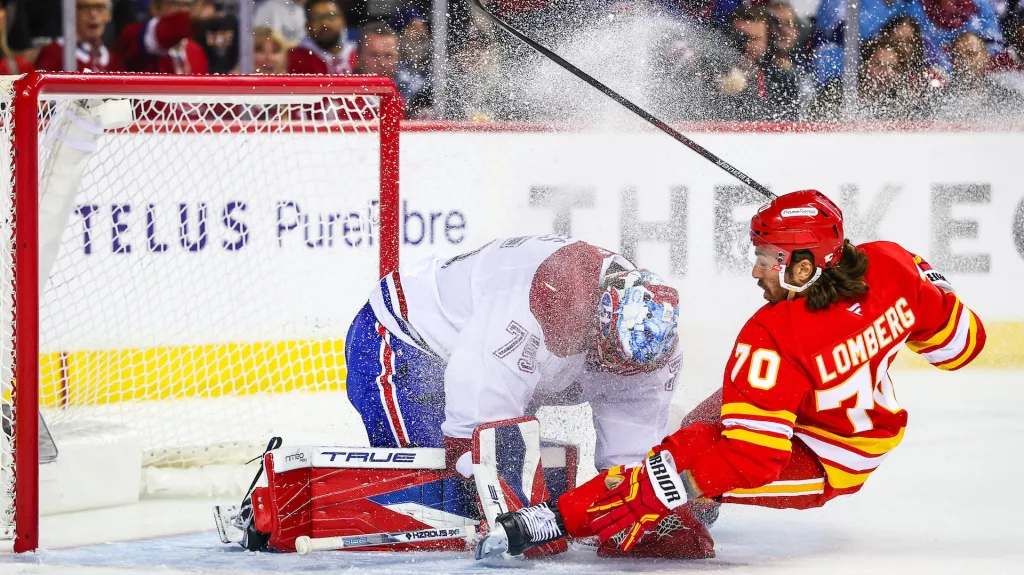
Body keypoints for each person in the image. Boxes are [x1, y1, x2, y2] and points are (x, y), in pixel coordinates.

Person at [481, 190, 987, 560]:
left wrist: (653, 491)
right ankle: (677, 499)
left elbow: (753, 460)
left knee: (675, 459)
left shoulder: (772, 333)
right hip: (844, 418)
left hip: (822, 460)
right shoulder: (891, 264)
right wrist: (910, 297)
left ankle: (547, 523)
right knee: (699, 430)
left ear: (806, 266)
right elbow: (962, 348)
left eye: (767, 259)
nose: (756, 271)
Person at [344, 236, 683, 524]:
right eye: (607, 353)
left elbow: (630, 455)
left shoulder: (649, 341)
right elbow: (477, 409)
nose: (612, 369)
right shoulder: (543, 299)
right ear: (597, 316)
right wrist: (481, 471)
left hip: (494, 355)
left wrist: (640, 503)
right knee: (433, 503)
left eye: (624, 365)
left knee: (494, 498)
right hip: (406, 336)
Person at [115, 0, 208, 73]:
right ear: (155, 7)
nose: (183, 11)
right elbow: (161, 33)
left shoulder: (196, 51)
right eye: (175, 4)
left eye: (187, 5)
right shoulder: (133, 34)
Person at [35, 0, 124, 72]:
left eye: (99, 7)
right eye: (85, 7)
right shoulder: (53, 53)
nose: (93, 14)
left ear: (109, 15)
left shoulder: (115, 60)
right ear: (71, 13)